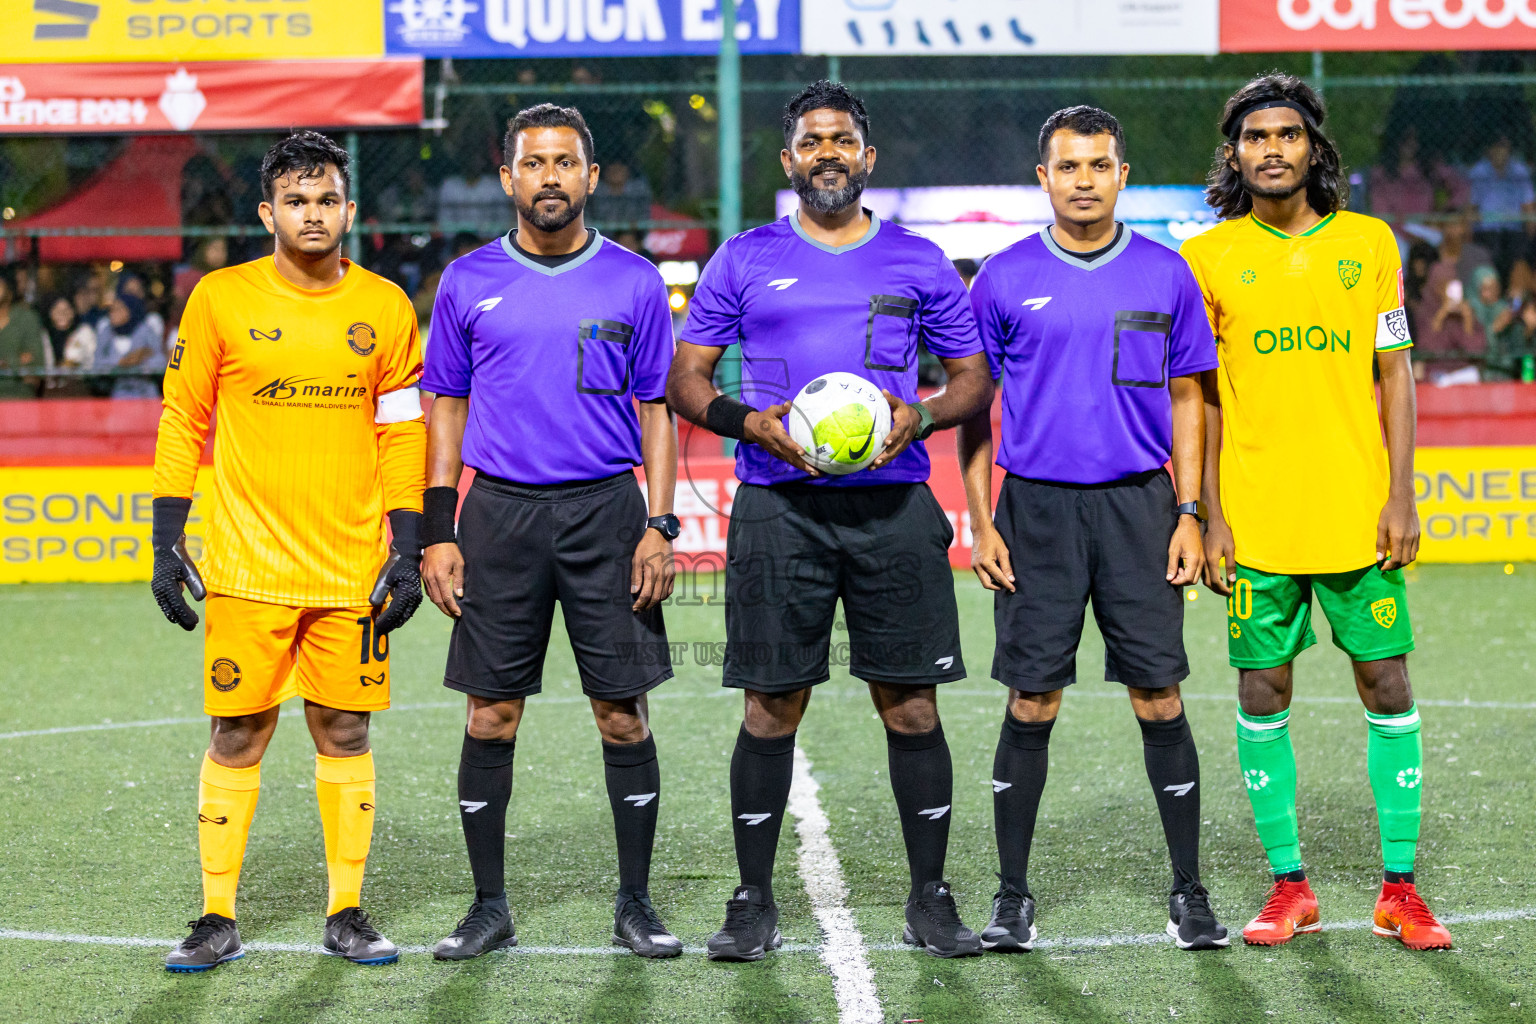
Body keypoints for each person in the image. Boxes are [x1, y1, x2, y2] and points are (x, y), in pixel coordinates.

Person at [667, 81, 995, 961]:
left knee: (913, 707)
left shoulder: (919, 261)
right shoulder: (742, 258)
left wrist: (919, 416)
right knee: (771, 706)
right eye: (811, 141)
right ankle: (752, 902)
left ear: (867, 157)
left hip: (895, 510)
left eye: (842, 140)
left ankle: (930, 900)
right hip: (778, 509)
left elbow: (972, 382)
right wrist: (753, 422)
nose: (827, 153)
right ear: (789, 160)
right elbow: (686, 379)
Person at [1182, 73, 1453, 951]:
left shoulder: (1369, 244)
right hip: (1256, 520)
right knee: (1263, 692)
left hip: (1355, 514)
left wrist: (1401, 491)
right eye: (1254, 136)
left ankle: (1400, 891)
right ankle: (1289, 887)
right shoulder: (1208, 256)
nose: (1271, 148)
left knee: (1389, 684)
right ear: (1234, 155)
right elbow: (1205, 396)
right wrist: (1209, 514)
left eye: (1287, 135)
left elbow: (1396, 374)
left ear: (1312, 149)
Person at [151, 130, 427, 972]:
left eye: (327, 200)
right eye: (296, 201)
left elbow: (402, 431)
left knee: (345, 729)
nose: (313, 214)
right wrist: (167, 540)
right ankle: (215, 915)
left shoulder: (386, 307)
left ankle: (346, 909)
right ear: (268, 212)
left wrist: (406, 546)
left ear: (351, 209)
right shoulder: (220, 300)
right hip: (245, 566)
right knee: (236, 732)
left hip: (350, 566)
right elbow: (181, 419)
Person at [419, 104, 682, 961]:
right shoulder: (465, 280)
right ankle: (488, 907)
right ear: (508, 178)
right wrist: (439, 526)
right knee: (491, 716)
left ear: (592, 176)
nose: (551, 177)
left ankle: (635, 906)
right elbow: (445, 407)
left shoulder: (636, 281)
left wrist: (661, 523)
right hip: (497, 516)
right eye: (534, 163)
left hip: (608, 514)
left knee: (622, 717)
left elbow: (658, 410)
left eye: (567, 162)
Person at [961, 105, 1226, 954]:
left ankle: (1189, 892)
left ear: (1121, 174)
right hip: (1033, 510)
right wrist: (979, 521)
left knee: (1160, 696)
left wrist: (1190, 511)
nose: (1083, 180)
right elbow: (973, 405)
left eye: (1099, 165)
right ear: (1043, 178)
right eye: (1067, 167)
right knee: (1031, 699)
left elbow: (1191, 398)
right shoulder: (1001, 276)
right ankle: (1011, 898)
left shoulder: (1167, 273)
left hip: (1141, 509)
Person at [1467, 134, 1535, 279]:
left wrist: (1531, 231)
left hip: (1514, 229)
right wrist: (1470, 231)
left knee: (1521, 255)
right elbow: (1472, 207)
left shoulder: (1519, 171)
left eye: (1503, 147)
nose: (1500, 151)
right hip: (1488, 230)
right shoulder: (1480, 171)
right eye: (1496, 147)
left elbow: (1528, 206)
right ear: (1489, 150)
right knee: (1491, 253)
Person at [94, 286, 165, 398]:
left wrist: (141, 360)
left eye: (118, 309)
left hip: (146, 394)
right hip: (117, 396)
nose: (113, 314)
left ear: (131, 310)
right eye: (111, 310)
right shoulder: (106, 332)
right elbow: (97, 363)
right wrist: (121, 362)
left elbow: (160, 361)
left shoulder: (145, 330)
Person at [0, 266, 45, 399]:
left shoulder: (26, 318)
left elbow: (36, 368)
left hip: (19, 401)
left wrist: (6, 362)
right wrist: (18, 360)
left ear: (8, 287)